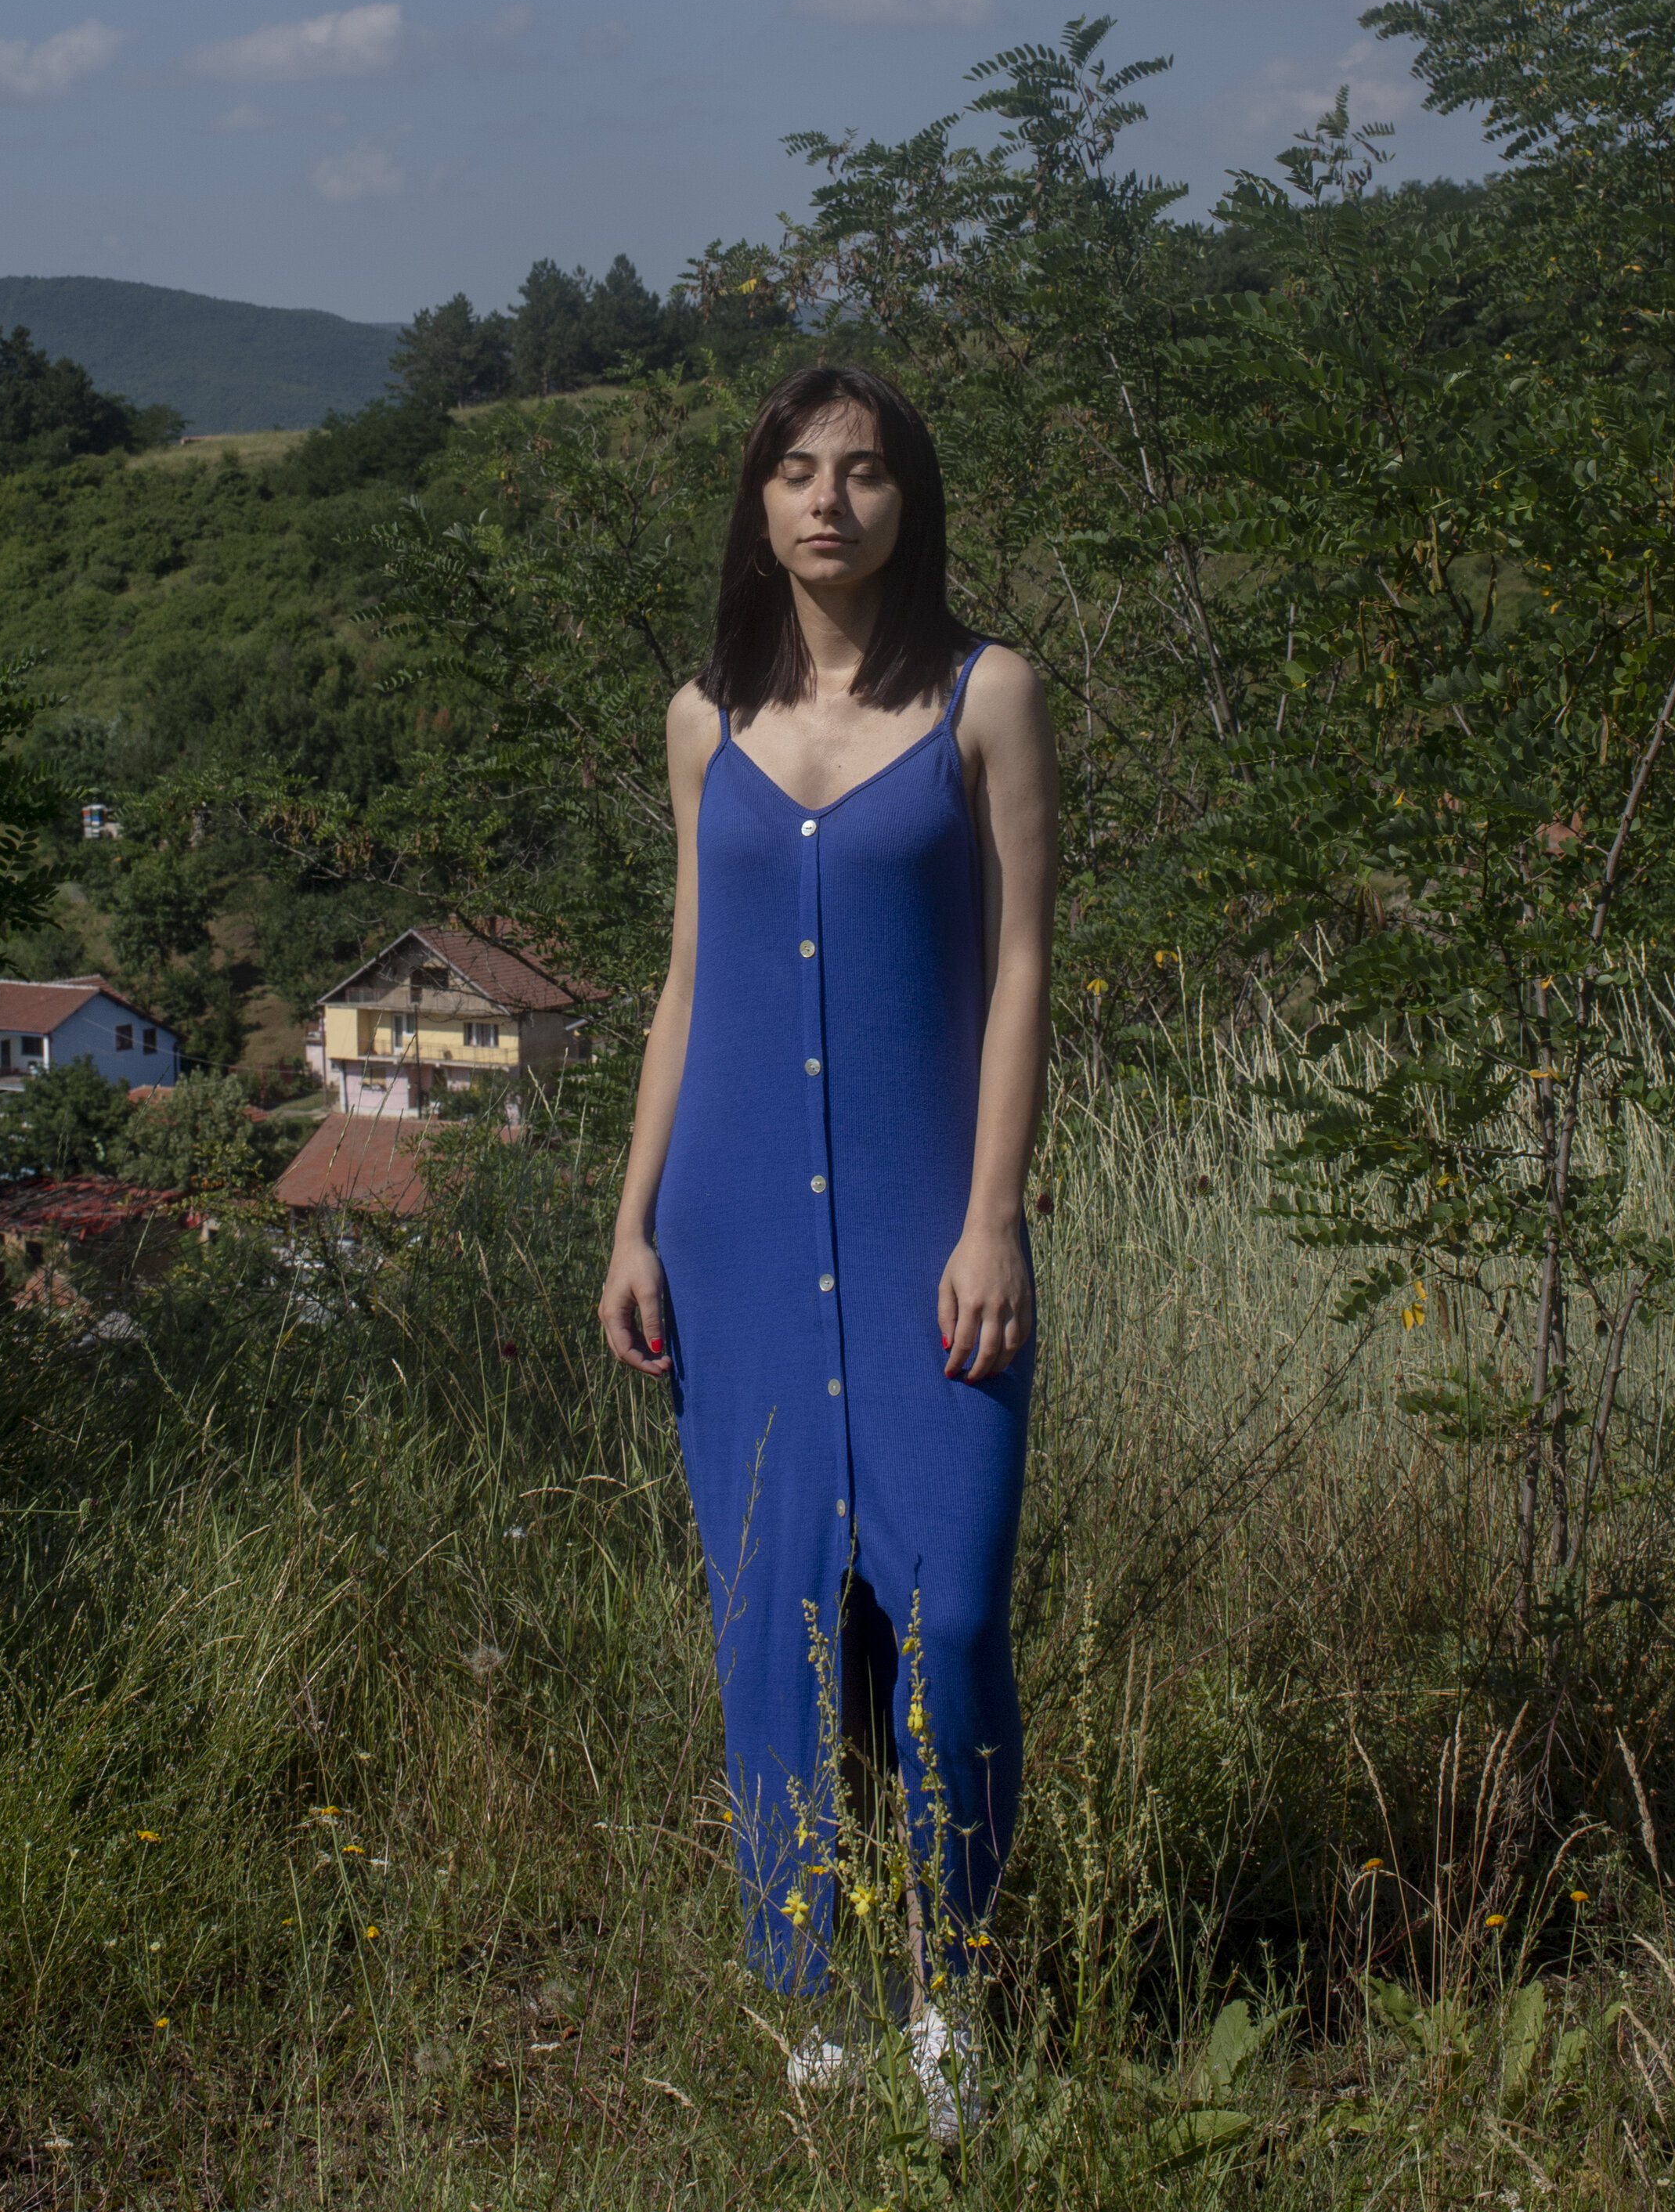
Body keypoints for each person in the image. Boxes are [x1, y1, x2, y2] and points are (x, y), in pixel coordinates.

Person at [598, 362, 1056, 2131]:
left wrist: (992, 1215)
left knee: (942, 1617)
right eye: (796, 470)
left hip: (925, 1231)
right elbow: (686, 984)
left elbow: (1020, 965)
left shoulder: (984, 695)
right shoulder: (702, 717)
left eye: (862, 471)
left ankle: (958, 1981)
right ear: (759, 501)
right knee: (777, 1624)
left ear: (904, 498)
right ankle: (817, 1999)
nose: (827, 500)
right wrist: (630, 1219)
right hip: (725, 1233)